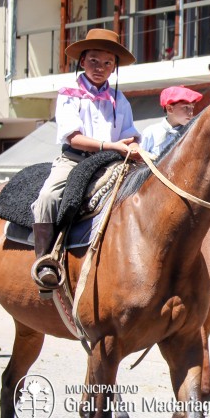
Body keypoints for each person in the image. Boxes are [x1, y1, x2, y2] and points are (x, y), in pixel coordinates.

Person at [31, 28, 140, 289]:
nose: (100, 67)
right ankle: (45, 261)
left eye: (107, 63)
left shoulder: (119, 98)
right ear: (82, 61)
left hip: (112, 161)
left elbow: (130, 134)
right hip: (75, 160)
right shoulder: (69, 93)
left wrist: (135, 147)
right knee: (47, 197)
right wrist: (111, 145)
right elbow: (73, 137)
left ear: (114, 68)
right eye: (93, 61)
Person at [139, 85, 202, 157]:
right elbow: (139, 161)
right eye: (186, 107)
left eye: (192, 108)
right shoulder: (151, 132)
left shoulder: (192, 132)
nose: (191, 113)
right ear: (169, 109)